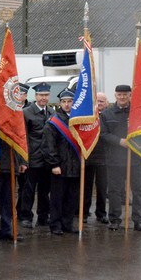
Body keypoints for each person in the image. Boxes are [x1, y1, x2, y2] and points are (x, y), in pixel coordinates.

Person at [100, 84, 141, 231]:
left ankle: (138, 220)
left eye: (125, 95)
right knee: (114, 191)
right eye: (119, 95)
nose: (122, 97)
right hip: (114, 159)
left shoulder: (137, 113)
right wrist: (119, 141)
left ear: (130, 95)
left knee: (138, 190)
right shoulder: (107, 114)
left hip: (135, 158)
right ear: (115, 96)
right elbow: (103, 134)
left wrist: (134, 136)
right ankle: (115, 219)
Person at [42, 89, 81, 235]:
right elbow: (48, 145)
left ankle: (67, 224)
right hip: (60, 166)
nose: (67, 104)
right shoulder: (54, 122)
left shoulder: (79, 119)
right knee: (57, 198)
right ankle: (55, 225)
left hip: (75, 166)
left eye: (69, 101)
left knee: (71, 197)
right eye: (64, 102)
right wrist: (54, 164)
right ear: (60, 103)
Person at [18, 82, 52, 228]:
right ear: (35, 95)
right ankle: (25, 216)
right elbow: (22, 138)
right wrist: (23, 160)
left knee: (45, 190)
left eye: (46, 95)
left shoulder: (51, 112)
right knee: (28, 190)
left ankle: (43, 216)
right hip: (32, 158)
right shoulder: (26, 112)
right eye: (41, 95)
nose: (43, 98)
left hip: (47, 159)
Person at [81, 92, 109, 224]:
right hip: (88, 156)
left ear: (107, 103)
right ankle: (85, 212)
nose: (99, 104)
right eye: (97, 101)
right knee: (86, 187)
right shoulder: (87, 115)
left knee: (102, 187)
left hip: (104, 157)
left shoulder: (109, 116)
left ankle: (101, 213)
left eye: (102, 101)